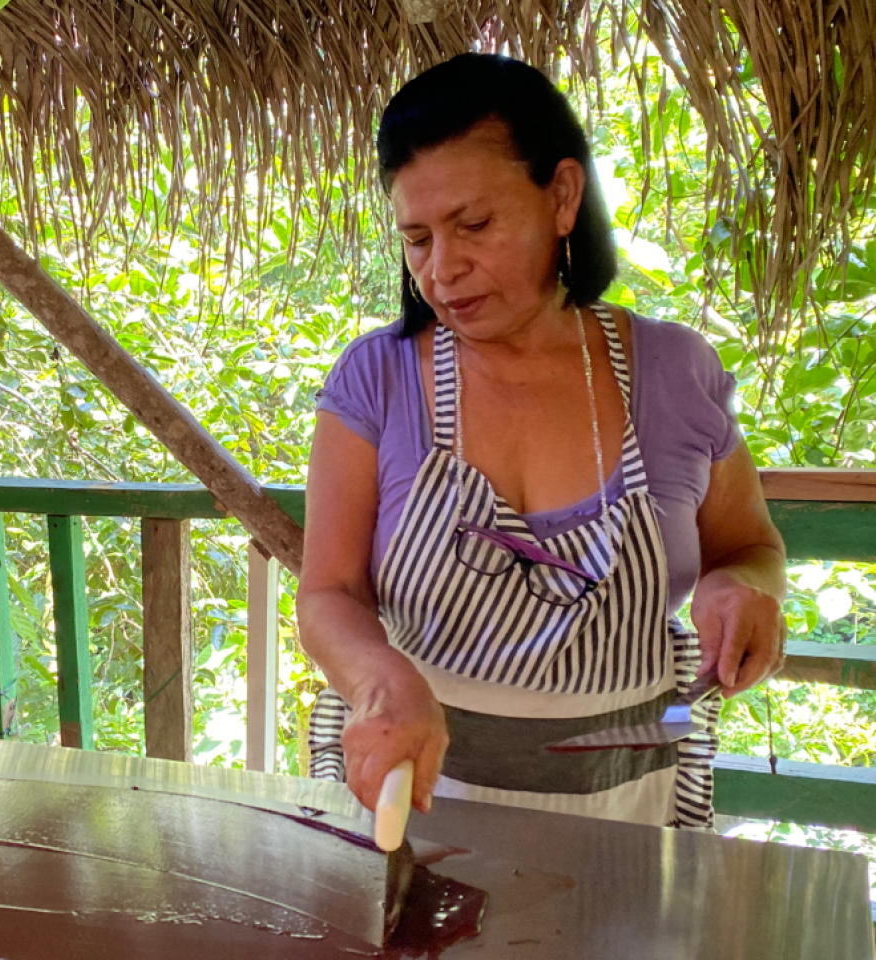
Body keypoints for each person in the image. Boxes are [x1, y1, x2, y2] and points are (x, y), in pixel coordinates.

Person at [297, 53, 787, 830]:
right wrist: (381, 681)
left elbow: (750, 544)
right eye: (417, 238)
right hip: (411, 791)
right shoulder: (377, 379)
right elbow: (328, 595)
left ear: (562, 197)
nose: (443, 269)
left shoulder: (672, 372)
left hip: (628, 800)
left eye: (476, 225)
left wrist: (741, 588)